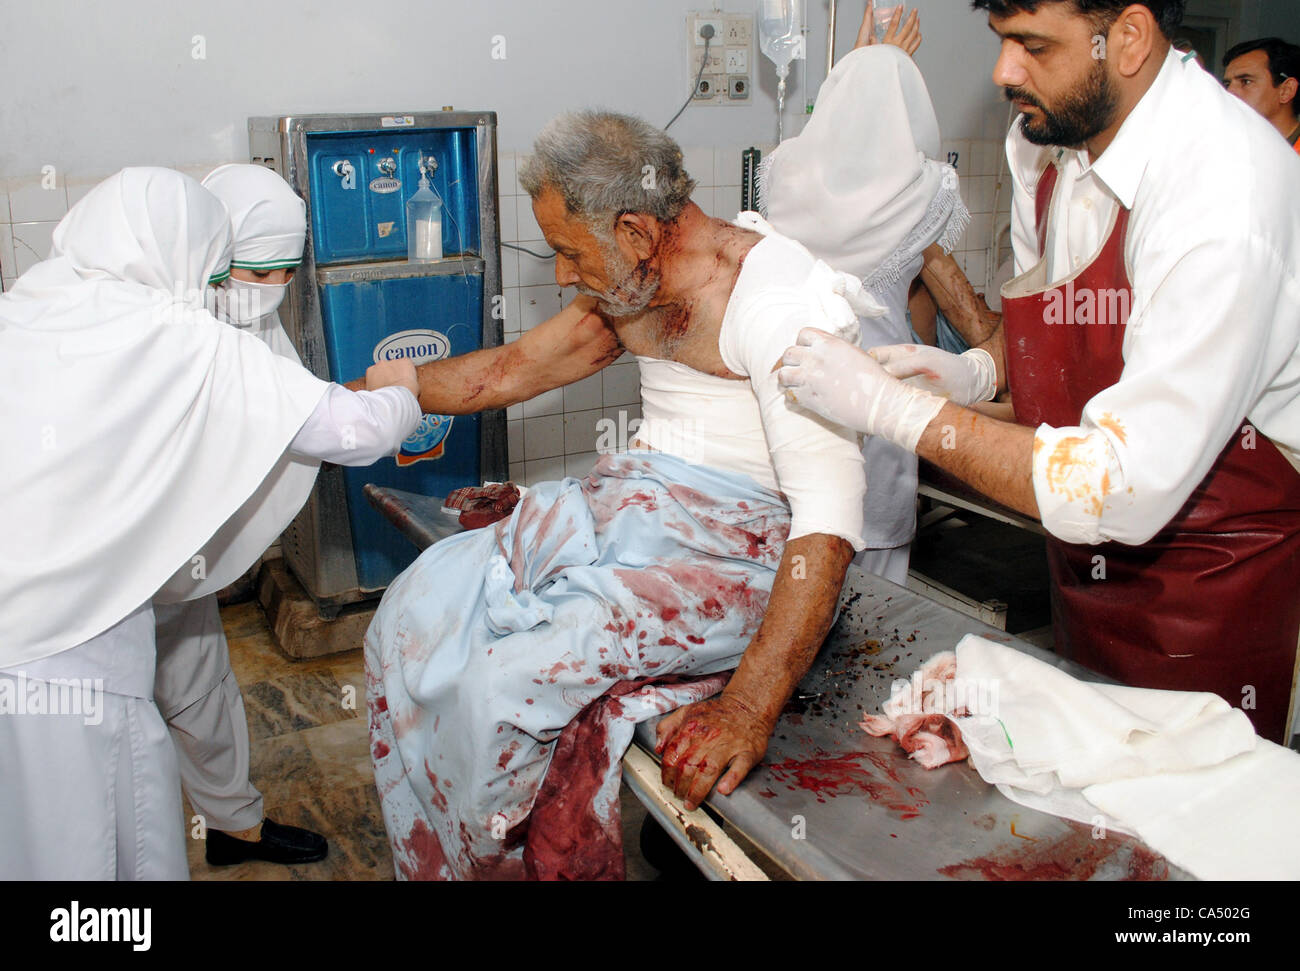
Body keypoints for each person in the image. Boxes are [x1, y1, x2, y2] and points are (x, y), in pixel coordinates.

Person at [365, 110, 879, 879]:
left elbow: (829, 525)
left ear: (637, 233)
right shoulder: (634, 281)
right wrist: (366, 399)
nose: (565, 275)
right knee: (410, 611)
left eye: (570, 253)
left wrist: (746, 706)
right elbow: (511, 370)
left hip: (745, 553)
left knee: (505, 685)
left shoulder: (776, 305)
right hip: (639, 508)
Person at [777, 0, 1300, 743]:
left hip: (1210, 580)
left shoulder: (1223, 197)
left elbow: (1122, 485)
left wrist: (899, 413)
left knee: (1183, 821)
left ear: (1128, 37)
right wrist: (975, 373)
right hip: (1083, 563)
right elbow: (1062, 340)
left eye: (1031, 46)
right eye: (1000, 41)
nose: (1002, 72)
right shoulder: (1042, 144)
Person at [0, 167, 422, 879]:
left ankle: (233, 820)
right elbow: (349, 432)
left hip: (27, 610)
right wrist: (404, 393)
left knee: (29, 828)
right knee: (103, 833)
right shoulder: (178, 336)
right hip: (77, 636)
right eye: (221, 266)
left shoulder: (33, 302)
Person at [151, 164, 326, 867]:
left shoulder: (247, 315)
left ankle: (232, 826)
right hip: (123, 573)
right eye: (259, 271)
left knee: (200, 683)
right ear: (214, 256)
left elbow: (280, 406)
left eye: (288, 271)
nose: (273, 289)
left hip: (179, 570)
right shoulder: (162, 320)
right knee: (124, 719)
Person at [759, 11, 973, 585]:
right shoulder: (922, 193)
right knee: (877, 579)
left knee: (803, 551)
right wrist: (891, 75)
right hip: (878, 387)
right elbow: (900, 149)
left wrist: (852, 71)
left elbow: (827, 138)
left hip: (797, 380)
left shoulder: (784, 171)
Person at [1223, 37, 1300, 151]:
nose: (1229, 92)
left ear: (1286, 91)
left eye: (1246, 81)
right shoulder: (1229, 149)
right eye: (1227, 84)